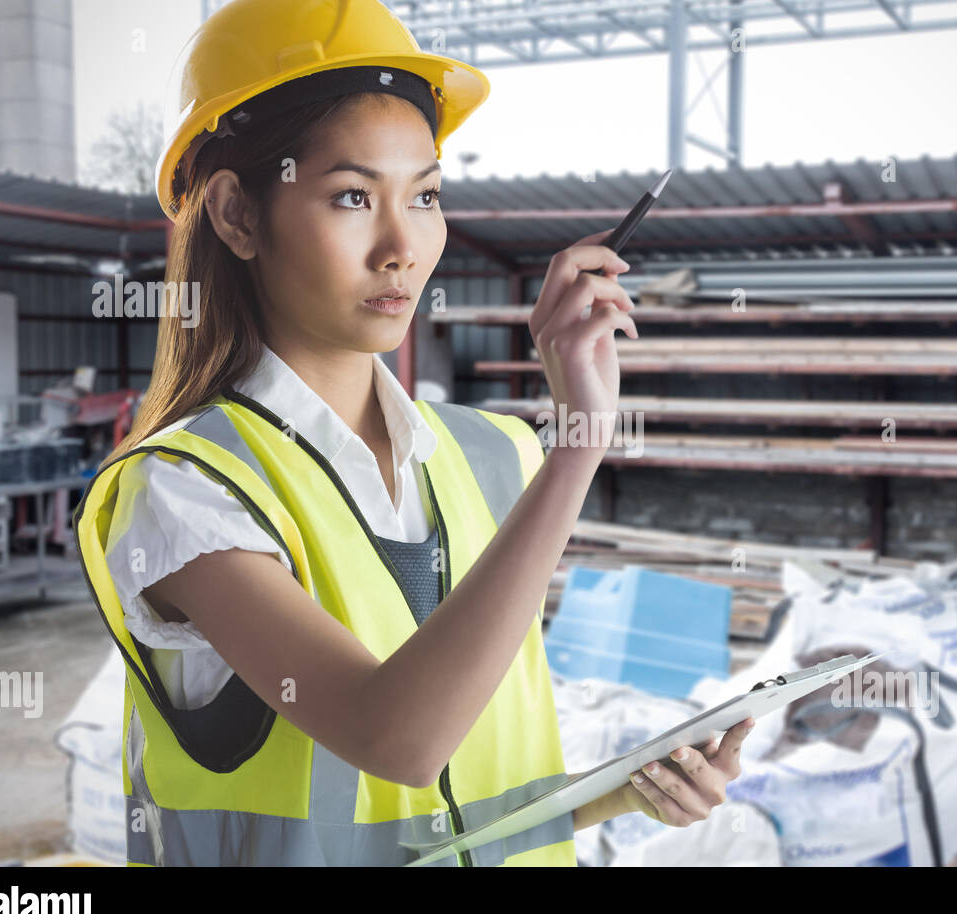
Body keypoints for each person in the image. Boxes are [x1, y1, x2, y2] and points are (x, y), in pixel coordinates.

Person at [73, 0, 753, 867]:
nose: (403, 245)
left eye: (425, 195)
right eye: (353, 196)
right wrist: (581, 439)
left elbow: (448, 803)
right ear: (237, 215)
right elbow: (395, 737)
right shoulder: (188, 490)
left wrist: (625, 789)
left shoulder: (493, 455)